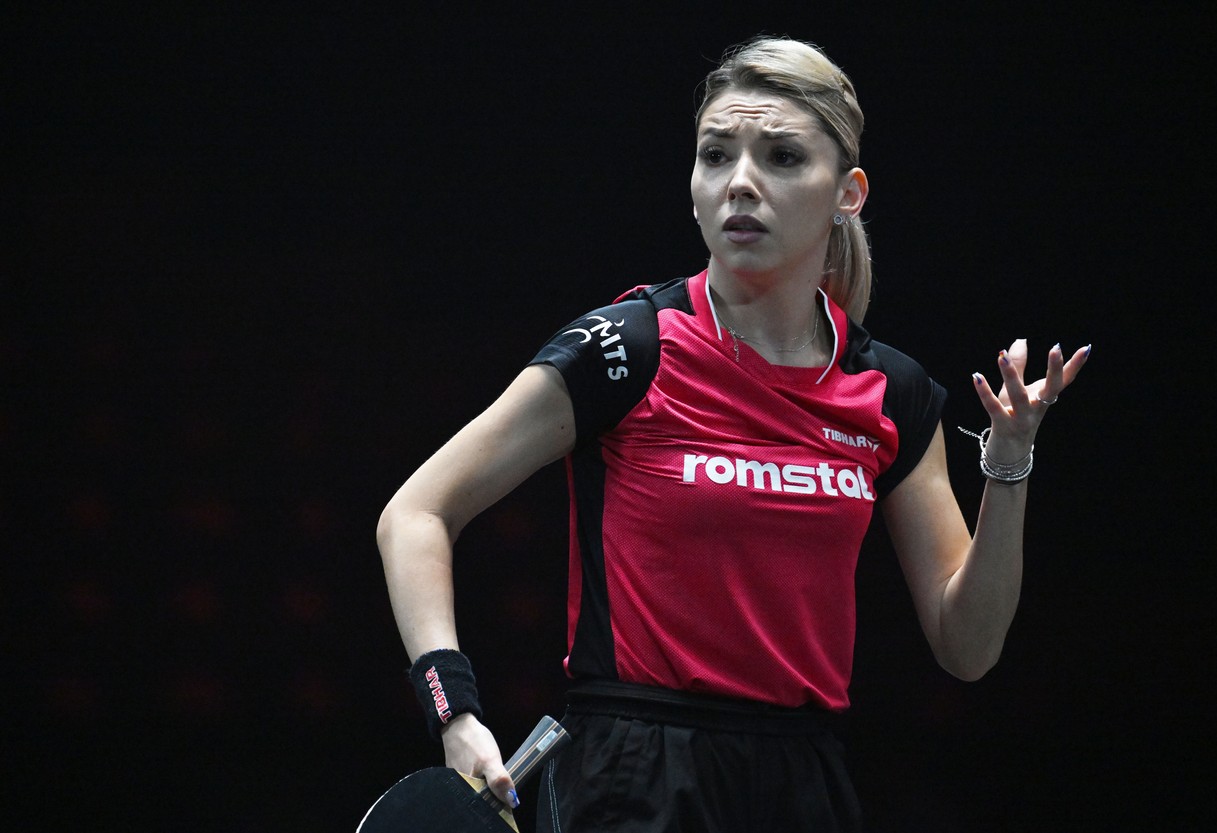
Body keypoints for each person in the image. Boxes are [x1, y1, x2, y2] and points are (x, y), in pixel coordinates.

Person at [376, 35, 1090, 832]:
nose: (740, 183)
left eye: (782, 158)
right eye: (716, 156)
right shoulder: (624, 350)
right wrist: (454, 712)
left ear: (847, 192)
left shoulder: (894, 393)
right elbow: (417, 513)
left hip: (803, 777)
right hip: (634, 772)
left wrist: (1009, 465)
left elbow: (970, 645)